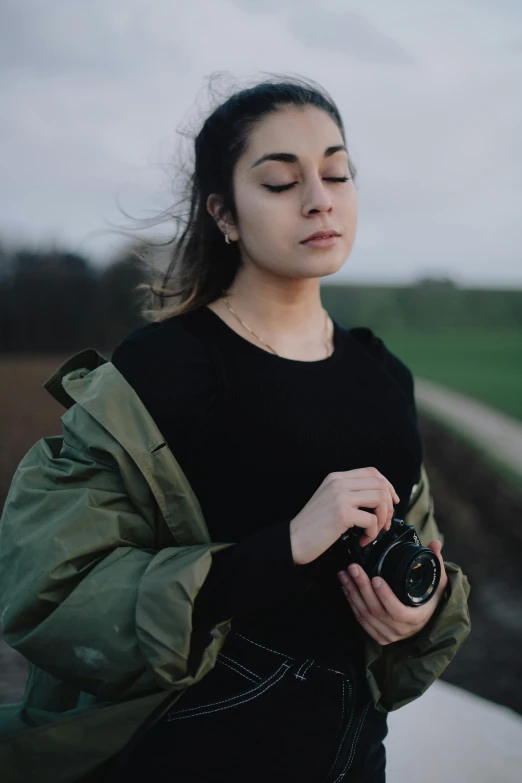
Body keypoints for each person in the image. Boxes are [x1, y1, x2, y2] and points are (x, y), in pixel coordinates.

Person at [0, 75, 470, 783]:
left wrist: (421, 613)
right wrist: (282, 548)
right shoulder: (160, 370)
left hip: (351, 753)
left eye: (337, 172)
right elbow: (53, 588)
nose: (320, 197)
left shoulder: (383, 375)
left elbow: (420, 550)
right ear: (224, 212)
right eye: (281, 181)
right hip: (197, 748)